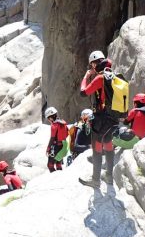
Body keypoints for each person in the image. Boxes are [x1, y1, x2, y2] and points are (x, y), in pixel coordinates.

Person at [78, 52, 119, 186]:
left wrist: (87, 76)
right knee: (108, 144)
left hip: (101, 118)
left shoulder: (100, 78)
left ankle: (95, 180)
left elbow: (83, 92)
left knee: (96, 147)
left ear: (95, 63)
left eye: (92, 65)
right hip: (113, 118)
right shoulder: (113, 75)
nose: (92, 67)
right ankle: (109, 177)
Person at [44, 106, 69, 172]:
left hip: (56, 147)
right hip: (64, 146)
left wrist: (48, 149)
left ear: (51, 117)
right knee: (58, 163)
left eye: (48, 119)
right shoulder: (63, 123)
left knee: (50, 165)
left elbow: (52, 138)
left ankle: (54, 178)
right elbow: (67, 134)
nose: (49, 120)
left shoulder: (54, 125)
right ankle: (60, 177)